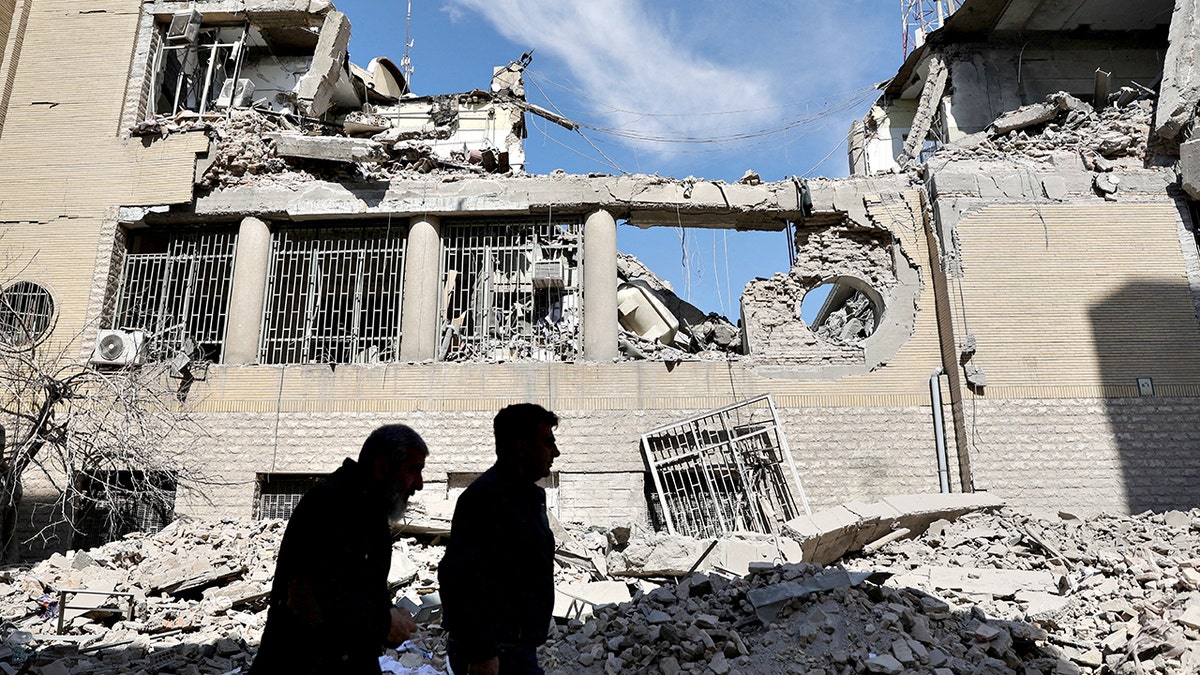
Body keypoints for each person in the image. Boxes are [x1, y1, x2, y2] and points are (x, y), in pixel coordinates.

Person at [250, 424, 428, 675]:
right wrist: (384, 622)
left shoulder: (368, 511)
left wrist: (388, 620)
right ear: (382, 467)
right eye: (414, 470)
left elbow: (358, 590)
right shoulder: (331, 505)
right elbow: (307, 598)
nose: (419, 484)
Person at [439, 403, 560, 675]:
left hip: (515, 649)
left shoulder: (527, 498)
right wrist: (482, 653)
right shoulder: (485, 499)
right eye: (547, 443)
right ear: (521, 446)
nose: (556, 452)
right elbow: (457, 578)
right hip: (494, 653)